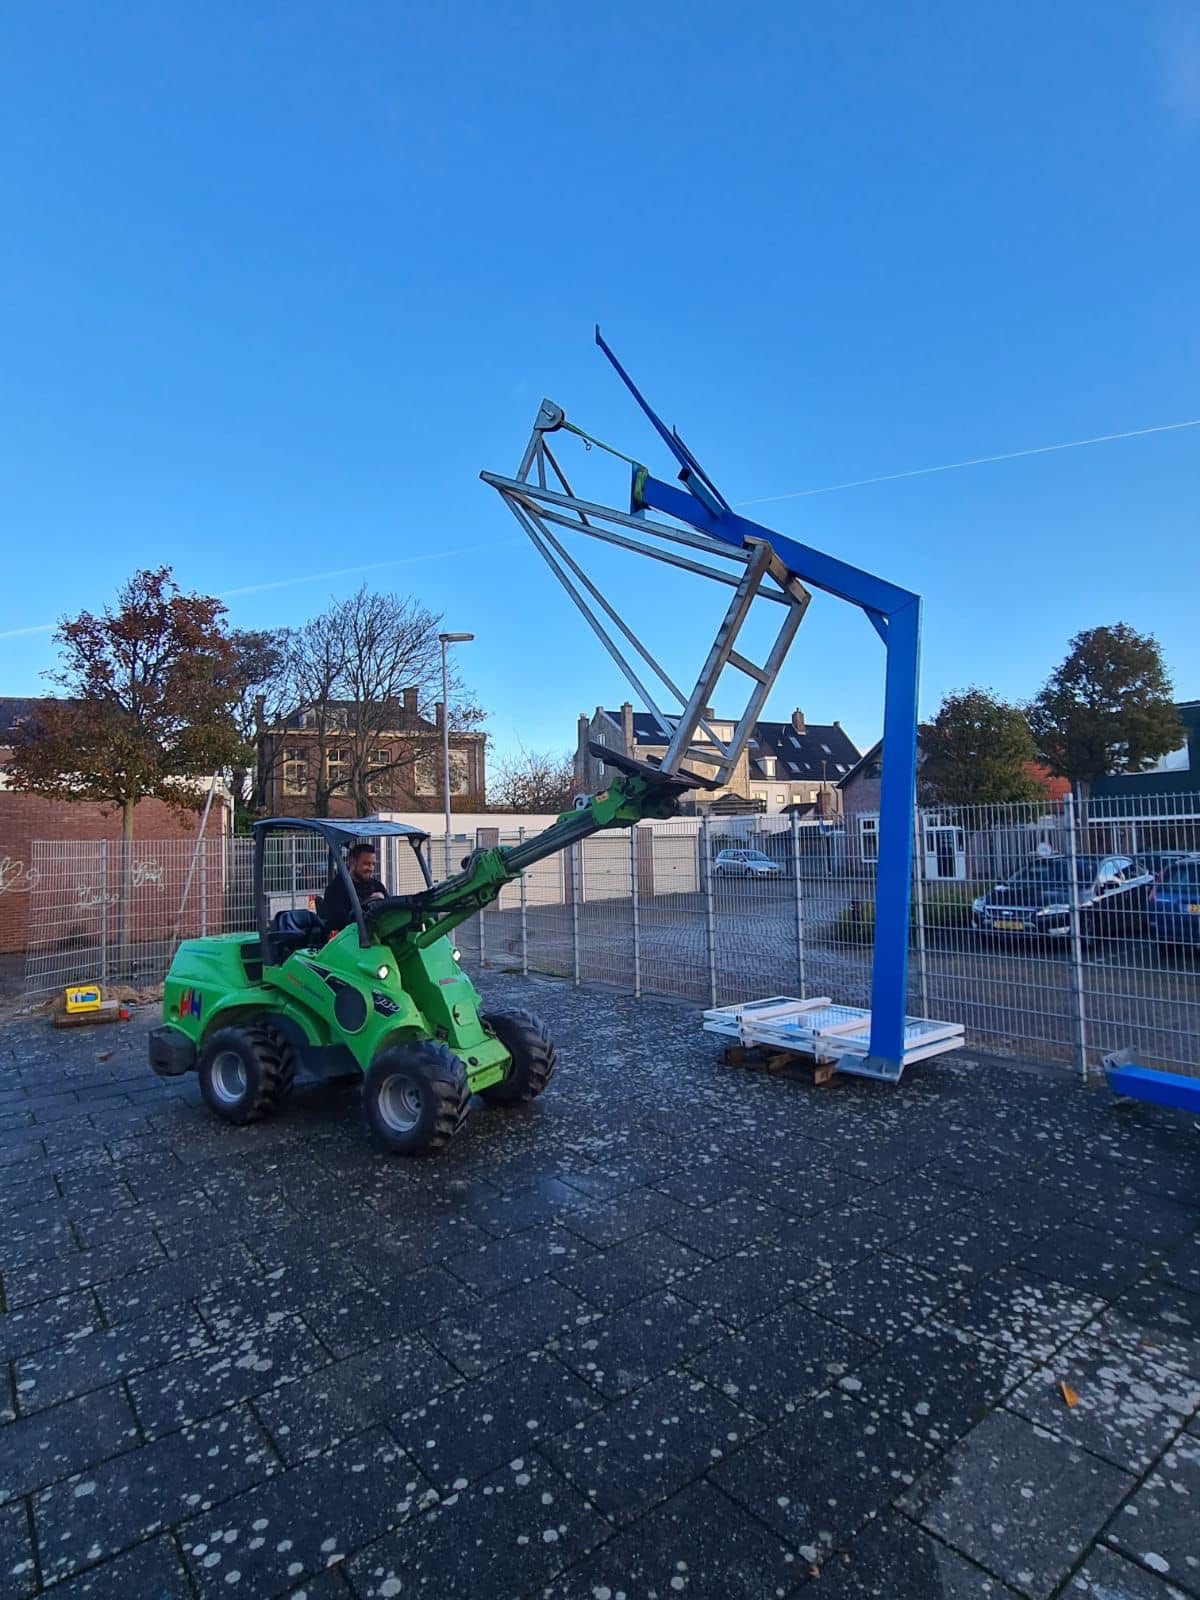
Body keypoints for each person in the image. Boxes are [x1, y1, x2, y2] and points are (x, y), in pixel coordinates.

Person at [323, 841, 388, 933]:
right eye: (366, 864)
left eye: (373, 864)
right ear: (352, 862)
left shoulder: (377, 886)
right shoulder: (336, 890)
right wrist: (368, 901)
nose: (371, 868)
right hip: (349, 937)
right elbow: (338, 923)